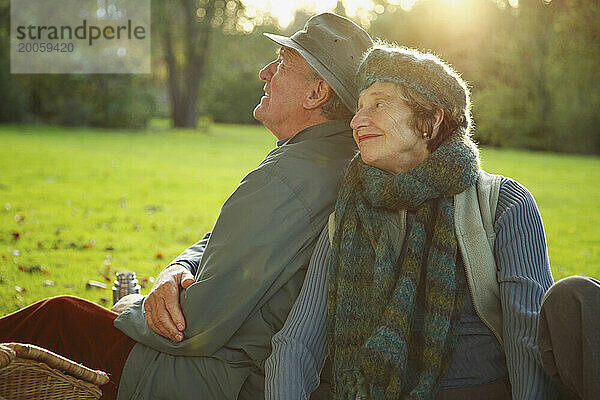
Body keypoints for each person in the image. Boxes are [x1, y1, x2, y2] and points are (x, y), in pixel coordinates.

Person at [0, 13, 373, 400]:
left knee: (58, 318)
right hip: (237, 369)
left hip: (217, 379)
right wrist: (178, 266)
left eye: (282, 62)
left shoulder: (292, 176)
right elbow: (224, 239)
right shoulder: (329, 160)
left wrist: (133, 305)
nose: (265, 72)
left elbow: (193, 326)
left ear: (317, 93)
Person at [265, 44, 558, 400]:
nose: (357, 121)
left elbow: (528, 339)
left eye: (379, 104)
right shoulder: (348, 217)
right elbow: (296, 344)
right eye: (359, 108)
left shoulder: (502, 204)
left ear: (431, 121)